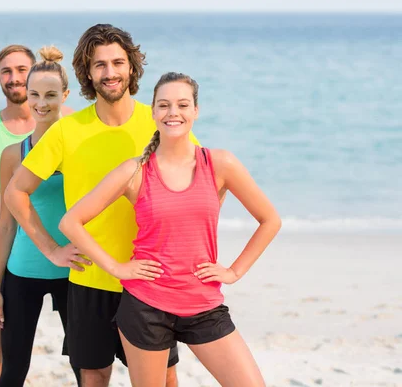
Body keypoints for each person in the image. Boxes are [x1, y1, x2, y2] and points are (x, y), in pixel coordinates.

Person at [60, 72, 282, 387]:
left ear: (195, 111)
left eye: (182, 104)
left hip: (203, 304)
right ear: (152, 112)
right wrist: (115, 267)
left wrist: (234, 272)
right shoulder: (134, 171)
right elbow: (71, 221)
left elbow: (270, 219)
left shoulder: (220, 164)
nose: (172, 112)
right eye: (163, 105)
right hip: (145, 307)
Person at [4, 24, 197, 387]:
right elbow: (15, 193)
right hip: (89, 278)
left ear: (132, 67)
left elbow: (200, 184)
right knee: (93, 376)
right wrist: (52, 250)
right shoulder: (66, 130)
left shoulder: (158, 120)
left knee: (163, 379)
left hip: (149, 279)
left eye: (118, 62)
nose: (110, 72)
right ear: (87, 73)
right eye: (100, 65)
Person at [0, 44, 72, 386]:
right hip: (22, 270)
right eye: (34, 95)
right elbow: (6, 222)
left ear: (65, 95)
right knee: (13, 371)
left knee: (85, 367)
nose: (41, 103)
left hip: (74, 270)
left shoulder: (78, 144)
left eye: (50, 95)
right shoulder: (15, 152)